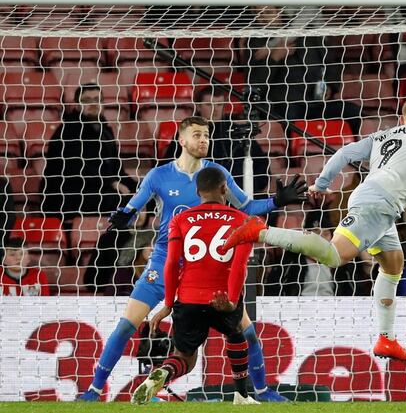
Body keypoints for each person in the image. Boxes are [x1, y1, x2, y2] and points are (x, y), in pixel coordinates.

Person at [222, 96, 406, 360]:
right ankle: (259, 231)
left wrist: (322, 184)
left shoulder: (383, 135)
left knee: (393, 264)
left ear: (403, 119)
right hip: (378, 204)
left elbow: (344, 153)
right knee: (335, 256)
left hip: (378, 203)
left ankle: (386, 338)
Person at [78, 116, 305, 402]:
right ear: (182, 140)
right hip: (164, 260)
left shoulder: (217, 173)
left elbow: (246, 206)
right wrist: (124, 216)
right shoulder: (159, 176)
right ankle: (93, 391)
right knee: (127, 324)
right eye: (197, 135)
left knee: (247, 331)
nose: (203, 140)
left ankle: (262, 392)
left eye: (206, 136)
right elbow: (132, 208)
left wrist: (276, 201)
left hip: (205, 267)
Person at [131, 167, 260, 405]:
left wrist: (168, 304)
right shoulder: (243, 220)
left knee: (184, 358)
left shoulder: (180, 219)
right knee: (237, 334)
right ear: (224, 189)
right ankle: (241, 395)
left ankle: (164, 373)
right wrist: (231, 300)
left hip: (188, 297)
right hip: (222, 296)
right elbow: (240, 266)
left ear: (197, 191)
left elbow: (171, 264)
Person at [41, 83, 137, 220]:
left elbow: (117, 171)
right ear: (77, 104)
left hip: (98, 191)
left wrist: (142, 188)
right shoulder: (68, 130)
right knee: (125, 203)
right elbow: (76, 167)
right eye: (86, 100)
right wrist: (112, 183)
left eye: (97, 99)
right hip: (69, 197)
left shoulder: (105, 131)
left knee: (151, 199)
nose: (93, 104)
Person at [162, 87, 270, 194]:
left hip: (235, 196)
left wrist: (246, 185)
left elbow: (262, 165)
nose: (215, 109)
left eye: (219, 104)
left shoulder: (237, 132)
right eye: (209, 105)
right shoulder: (187, 133)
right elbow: (169, 166)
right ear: (198, 107)